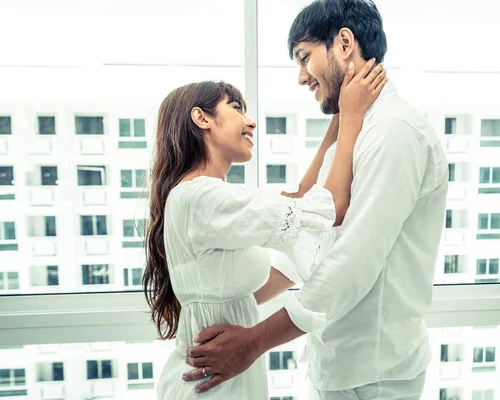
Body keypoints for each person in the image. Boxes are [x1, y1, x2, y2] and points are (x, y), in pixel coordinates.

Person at [182, 0, 449, 399]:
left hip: (373, 375)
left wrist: (253, 342)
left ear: (344, 43)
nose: (302, 77)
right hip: (337, 366)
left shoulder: (395, 133)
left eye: (304, 58)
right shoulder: (354, 133)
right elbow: (314, 243)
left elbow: (353, 261)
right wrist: (227, 305)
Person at [144, 61, 387, 400]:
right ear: (201, 118)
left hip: (220, 382)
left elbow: (302, 205)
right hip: (208, 388)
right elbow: (329, 207)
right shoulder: (202, 197)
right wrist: (352, 118)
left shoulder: (201, 198)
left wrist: (337, 116)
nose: (251, 121)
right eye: (236, 108)